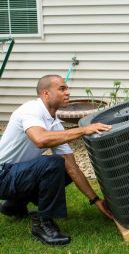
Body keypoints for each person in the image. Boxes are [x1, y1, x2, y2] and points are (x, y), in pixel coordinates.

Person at [0, 75, 113, 246]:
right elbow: (40, 140)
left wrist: (96, 201)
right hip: (2, 175)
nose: (67, 92)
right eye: (62, 89)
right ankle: (43, 223)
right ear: (45, 93)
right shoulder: (31, 110)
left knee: (65, 169)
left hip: (13, 174)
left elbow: (73, 168)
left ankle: (14, 205)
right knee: (53, 164)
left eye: (67, 88)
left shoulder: (54, 123)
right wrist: (83, 130)